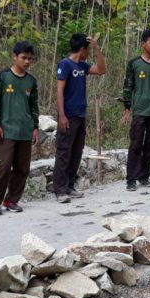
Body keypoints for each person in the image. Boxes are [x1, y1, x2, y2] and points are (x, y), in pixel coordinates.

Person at [0, 41, 39, 215]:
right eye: (24, 58)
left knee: (23, 168)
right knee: (4, 165)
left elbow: (34, 106)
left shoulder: (31, 81)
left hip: (25, 130)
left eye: (30, 59)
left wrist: (35, 127)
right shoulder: (1, 77)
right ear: (14, 57)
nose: (27, 62)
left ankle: (11, 200)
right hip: (7, 129)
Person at [53, 33, 107, 203]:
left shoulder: (83, 66)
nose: (89, 53)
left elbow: (101, 70)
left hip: (80, 115)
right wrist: (61, 115)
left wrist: (97, 48)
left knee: (76, 153)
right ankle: (60, 190)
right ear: (82, 49)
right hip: (68, 116)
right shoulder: (65, 64)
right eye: (89, 50)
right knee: (64, 153)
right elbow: (59, 91)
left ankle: (69, 186)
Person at [122, 28, 150, 191]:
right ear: (143, 44)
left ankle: (144, 176)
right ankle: (131, 179)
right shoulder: (134, 64)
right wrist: (127, 108)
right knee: (135, 144)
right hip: (140, 110)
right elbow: (128, 87)